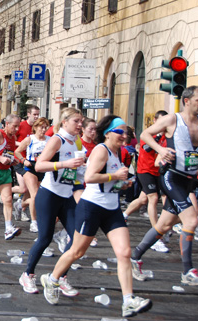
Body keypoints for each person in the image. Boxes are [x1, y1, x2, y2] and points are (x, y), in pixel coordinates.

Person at [40, 115, 152, 318]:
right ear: (108, 132)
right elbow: (90, 177)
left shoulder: (117, 152)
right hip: (91, 207)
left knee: (124, 252)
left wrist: (122, 183)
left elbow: (109, 182)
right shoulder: (102, 150)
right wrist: (115, 177)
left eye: (126, 132)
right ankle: (52, 278)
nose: (124, 136)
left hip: (112, 209)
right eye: (120, 132)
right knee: (76, 252)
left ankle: (128, 301)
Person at [131, 86, 198, 286]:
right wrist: (161, 150)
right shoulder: (173, 119)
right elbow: (145, 134)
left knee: (164, 225)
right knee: (191, 221)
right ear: (187, 101)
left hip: (189, 179)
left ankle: (134, 257)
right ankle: (188, 271)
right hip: (171, 177)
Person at [19, 107, 84, 297]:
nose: (80, 125)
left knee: (76, 240)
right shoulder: (57, 139)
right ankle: (27, 274)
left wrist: (83, 169)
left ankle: (60, 277)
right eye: (76, 121)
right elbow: (40, 165)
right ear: (64, 122)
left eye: (81, 121)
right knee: (45, 238)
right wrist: (64, 164)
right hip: (49, 195)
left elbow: (75, 172)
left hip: (67, 196)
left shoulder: (75, 142)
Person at [122, 110, 170, 252]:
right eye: (160, 121)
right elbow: (148, 148)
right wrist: (158, 137)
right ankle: (156, 236)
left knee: (143, 199)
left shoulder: (167, 136)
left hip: (158, 171)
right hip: (145, 170)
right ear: (155, 121)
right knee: (153, 198)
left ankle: (124, 215)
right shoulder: (149, 134)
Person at [14, 117, 50, 233]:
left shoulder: (49, 140)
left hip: (43, 168)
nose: (43, 130)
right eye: (41, 127)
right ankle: (34, 222)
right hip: (30, 167)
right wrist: (24, 160)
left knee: (35, 195)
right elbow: (17, 152)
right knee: (35, 195)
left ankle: (20, 205)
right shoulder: (30, 139)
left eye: (45, 127)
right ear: (35, 128)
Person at [13, 105, 41, 221]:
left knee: (31, 190)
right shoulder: (21, 125)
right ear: (28, 114)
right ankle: (4, 190)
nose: (36, 117)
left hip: (32, 162)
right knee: (24, 189)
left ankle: (22, 209)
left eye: (37, 114)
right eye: (34, 114)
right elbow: (12, 140)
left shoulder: (37, 127)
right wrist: (23, 144)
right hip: (20, 160)